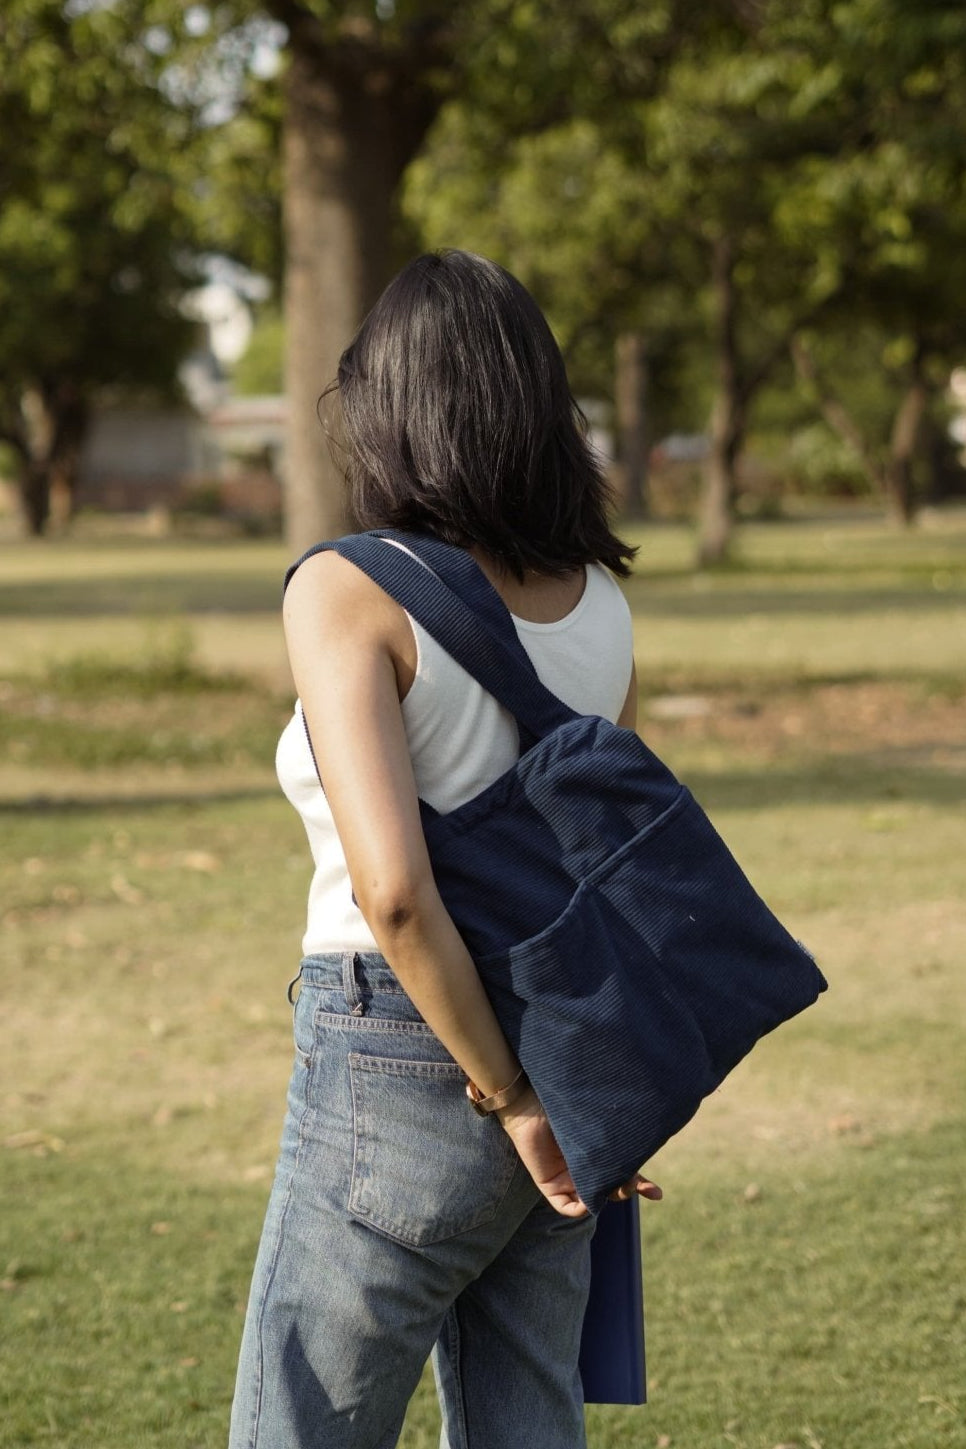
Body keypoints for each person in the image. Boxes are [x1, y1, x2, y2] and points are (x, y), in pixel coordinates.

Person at [228, 249, 662, 1449]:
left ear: (394, 410)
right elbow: (601, 874)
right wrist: (591, 1096)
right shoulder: (603, 608)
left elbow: (397, 896)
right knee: (530, 1419)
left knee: (302, 1424)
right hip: (564, 1044)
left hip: (406, 1049)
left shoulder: (346, 590)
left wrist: (511, 1098)